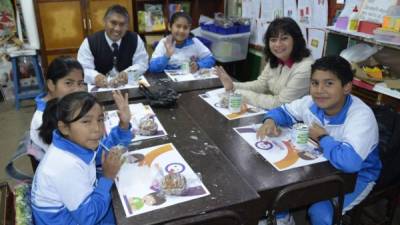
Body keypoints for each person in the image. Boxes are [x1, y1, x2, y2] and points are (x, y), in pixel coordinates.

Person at [257, 56, 381, 225]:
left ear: (346, 87)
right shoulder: (311, 102)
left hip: (357, 175)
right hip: (321, 165)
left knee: (320, 212)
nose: (319, 90)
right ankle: (282, 217)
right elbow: (283, 111)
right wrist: (270, 121)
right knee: (273, 182)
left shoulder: (361, 116)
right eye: (315, 83)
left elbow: (350, 162)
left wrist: (322, 137)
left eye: (329, 83)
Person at [31, 90, 133, 225]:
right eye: (86, 121)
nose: (97, 128)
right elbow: (89, 218)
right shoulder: (65, 166)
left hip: (77, 211)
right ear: (64, 128)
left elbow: (105, 151)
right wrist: (107, 178)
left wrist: (123, 124)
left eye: (100, 119)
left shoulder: (72, 143)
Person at [216, 17, 314, 109]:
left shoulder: (305, 68)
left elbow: (281, 103)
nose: (278, 44)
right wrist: (233, 86)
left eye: (284, 38)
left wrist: (240, 94)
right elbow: (261, 84)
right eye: (273, 40)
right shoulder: (276, 59)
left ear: (296, 40)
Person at [77, 4, 148, 87]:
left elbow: (142, 63)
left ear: (127, 26)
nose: (117, 29)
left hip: (128, 88)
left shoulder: (135, 39)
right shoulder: (90, 42)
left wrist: (128, 74)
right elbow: (82, 69)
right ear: (105, 21)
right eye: (113, 23)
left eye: (122, 24)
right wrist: (95, 77)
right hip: (100, 91)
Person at [30, 56, 85, 154]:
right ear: (51, 85)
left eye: (80, 83)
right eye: (68, 83)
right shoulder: (43, 119)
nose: (77, 90)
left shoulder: (60, 105)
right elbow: (71, 154)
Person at [149, 11, 215, 73]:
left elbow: (210, 59)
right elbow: (152, 68)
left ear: (189, 29)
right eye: (178, 26)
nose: (181, 31)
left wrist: (198, 65)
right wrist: (167, 55)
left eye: (185, 28)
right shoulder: (164, 43)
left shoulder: (194, 42)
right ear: (170, 27)